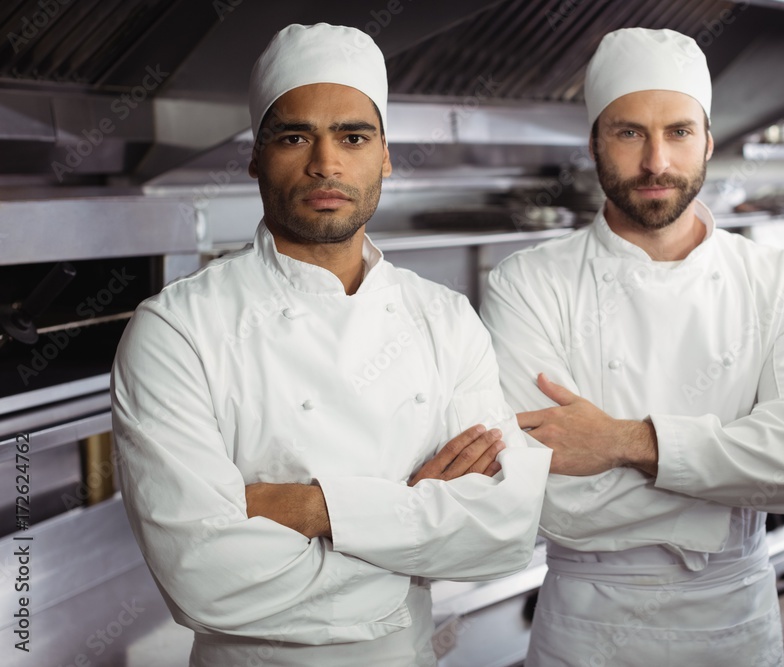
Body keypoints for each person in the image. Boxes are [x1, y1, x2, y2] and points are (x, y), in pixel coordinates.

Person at [111, 23, 550, 667]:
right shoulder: (177, 329)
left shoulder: (445, 318)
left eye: (353, 136)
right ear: (255, 157)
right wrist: (414, 523)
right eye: (294, 136)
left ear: (385, 156)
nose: (326, 163)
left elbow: (503, 530)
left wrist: (310, 508)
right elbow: (205, 580)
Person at [480, 27, 784, 666]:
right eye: (629, 133)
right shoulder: (528, 283)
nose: (657, 162)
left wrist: (622, 443)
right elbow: (548, 497)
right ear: (596, 142)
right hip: (587, 629)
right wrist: (732, 476)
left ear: (707, 140)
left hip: (734, 622)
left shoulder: (774, 277)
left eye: (678, 132)